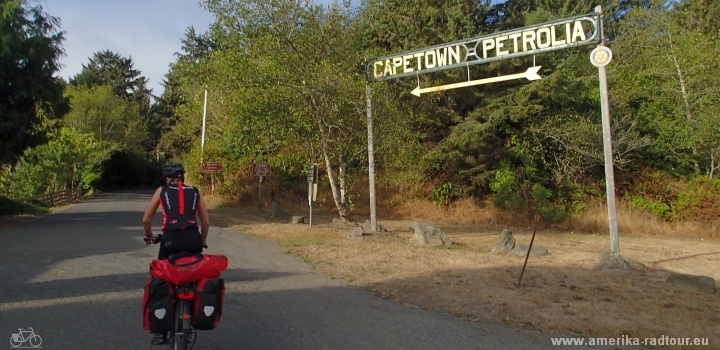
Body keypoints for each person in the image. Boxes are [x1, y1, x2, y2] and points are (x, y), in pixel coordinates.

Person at [141, 163, 210, 345]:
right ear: (183, 178)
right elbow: (206, 222)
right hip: (193, 237)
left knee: (163, 279)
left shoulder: (162, 191)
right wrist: (202, 241)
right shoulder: (195, 191)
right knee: (194, 272)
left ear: (167, 179)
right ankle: (194, 312)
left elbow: (146, 219)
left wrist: (149, 236)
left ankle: (161, 332)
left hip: (170, 239)